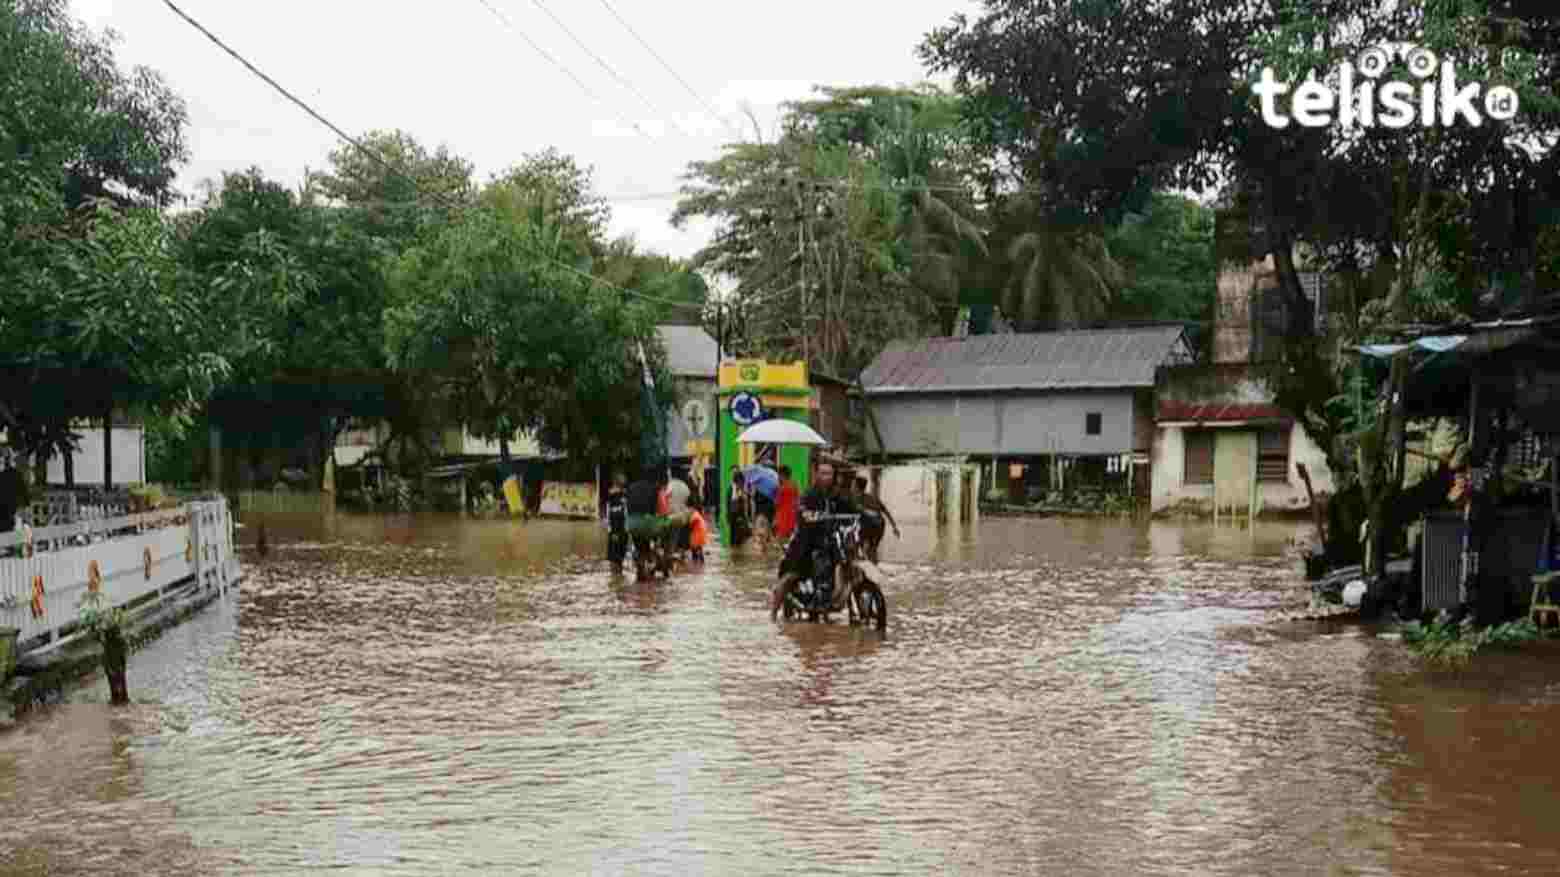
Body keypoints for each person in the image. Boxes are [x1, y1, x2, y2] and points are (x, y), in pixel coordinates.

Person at [772, 461, 858, 620]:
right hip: (806, 541)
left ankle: (830, 594)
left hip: (830, 539)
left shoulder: (837, 495)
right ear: (817, 475)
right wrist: (807, 514)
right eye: (823, 473)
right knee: (792, 574)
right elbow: (801, 508)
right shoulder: (809, 494)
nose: (826, 477)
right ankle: (773, 613)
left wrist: (862, 513)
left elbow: (852, 509)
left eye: (829, 474)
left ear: (834, 476)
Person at [854, 475, 900, 563]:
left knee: (866, 548)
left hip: (873, 526)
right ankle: (871, 565)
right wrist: (894, 527)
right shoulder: (871, 498)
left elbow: (883, 511)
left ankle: (869, 566)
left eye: (853, 485)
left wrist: (894, 527)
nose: (852, 487)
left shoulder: (858, 499)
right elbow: (885, 511)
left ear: (857, 487)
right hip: (879, 525)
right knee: (870, 549)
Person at [603, 473, 629, 574]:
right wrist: (610, 530)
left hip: (620, 530)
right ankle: (616, 576)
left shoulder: (625, 496)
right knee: (615, 558)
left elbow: (609, 514)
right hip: (616, 530)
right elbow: (608, 514)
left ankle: (617, 576)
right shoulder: (611, 497)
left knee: (618, 557)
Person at [773, 466, 800, 546]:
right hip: (792, 513)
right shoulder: (794, 484)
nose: (778, 477)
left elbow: (777, 502)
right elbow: (798, 499)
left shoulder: (781, 487)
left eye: (779, 475)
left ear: (782, 475)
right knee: (789, 536)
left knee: (780, 537)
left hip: (783, 515)